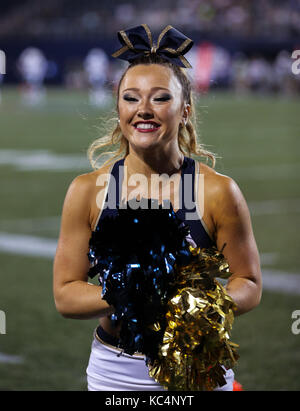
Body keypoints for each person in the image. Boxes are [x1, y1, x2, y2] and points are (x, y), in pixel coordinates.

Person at [53, 24, 262, 391]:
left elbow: (250, 282)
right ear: (118, 108)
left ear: (184, 110)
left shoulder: (218, 191)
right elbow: (66, 293)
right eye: (131, 98)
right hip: (116, 374)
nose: (143, 110)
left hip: (199, 367)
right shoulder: (87, 191)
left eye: (160, 98)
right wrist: (128, 291)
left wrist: (201, 301)